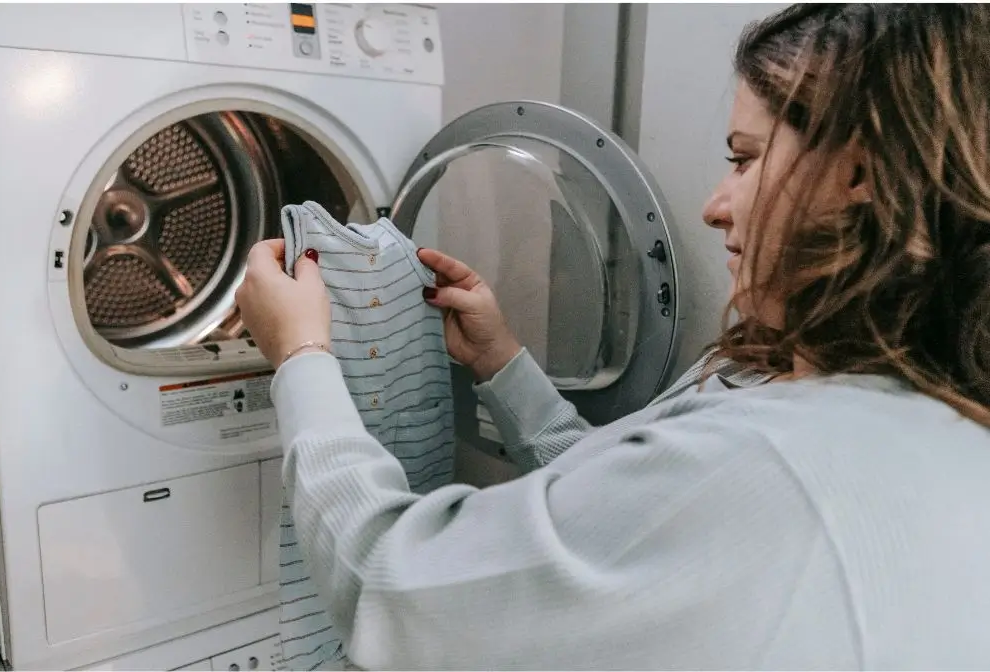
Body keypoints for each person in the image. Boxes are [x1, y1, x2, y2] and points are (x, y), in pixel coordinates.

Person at [235, 4, 990, 668]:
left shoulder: (770, 460)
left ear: (859, 170)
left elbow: (389, 586)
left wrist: (304, 356)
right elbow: (622, 522)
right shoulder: (902, 408)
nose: (714, 206)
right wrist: (502, 365)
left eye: (745, 158)